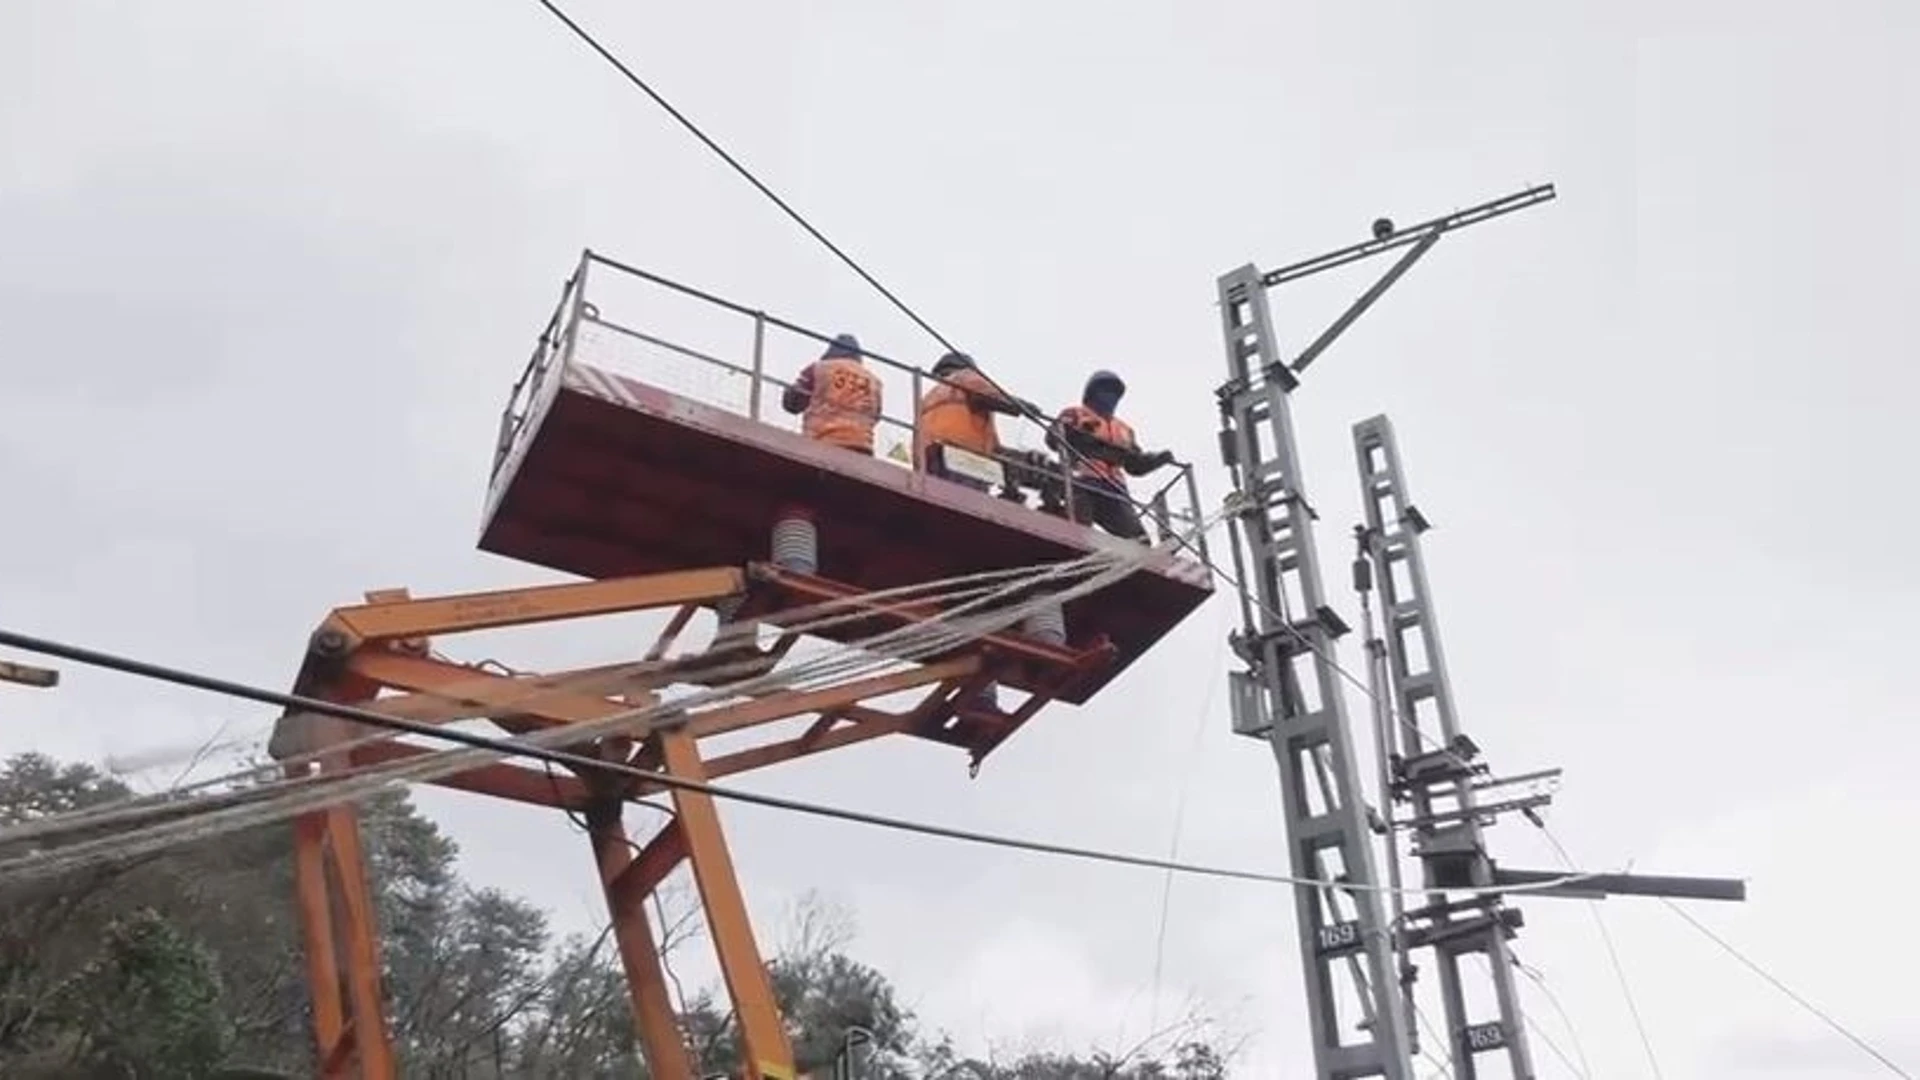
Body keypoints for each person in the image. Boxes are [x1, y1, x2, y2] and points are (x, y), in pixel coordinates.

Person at [1046, 369, 1176, 540]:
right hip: (1082, 480)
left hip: (1115, 488)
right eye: (1105, 390)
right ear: (1092, 392)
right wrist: (1078, 437)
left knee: (1139, 540)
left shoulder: (1125, 430)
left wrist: (1157, 460)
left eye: (1114, 392)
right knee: (1077, 532)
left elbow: (1135, 465)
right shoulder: (1075, 413)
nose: (1109, 396)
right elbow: (1053, 437)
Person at [914, 352, 1034, 492]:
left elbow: (992, 447)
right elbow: (988, 395)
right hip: (962, 457)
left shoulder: (930, 397)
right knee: (966, 499)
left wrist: (1015, 458)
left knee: (938, 495)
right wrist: (1021, 406)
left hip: (928, 457)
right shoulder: (965, 376)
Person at [782, 333, 883, 455]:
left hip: (823, 441)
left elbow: (793, 403)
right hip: (862, 448)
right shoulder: (874, 382)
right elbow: (875, 416)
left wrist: (788, 392)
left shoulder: (820, 369)